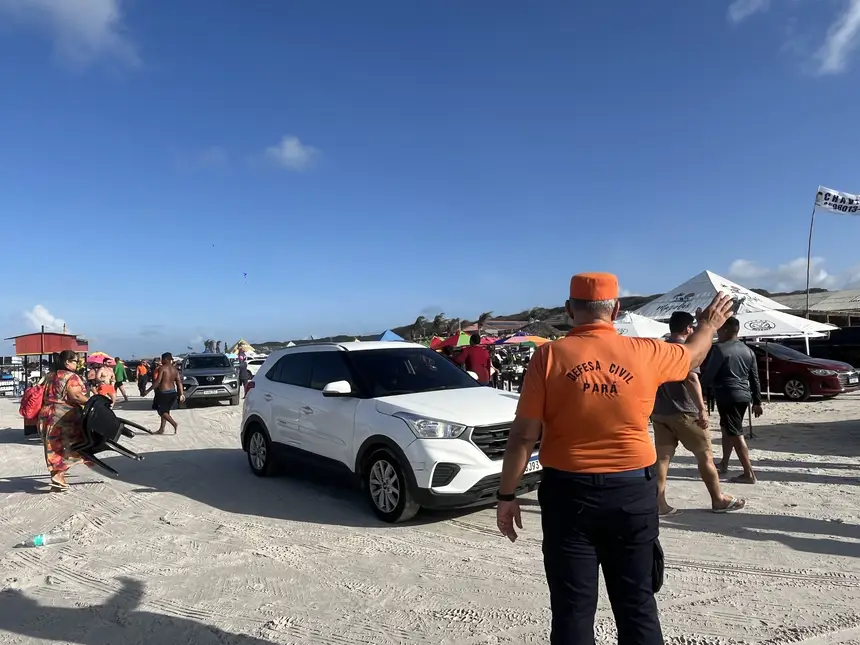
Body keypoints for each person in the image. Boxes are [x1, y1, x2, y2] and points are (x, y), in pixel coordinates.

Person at [495, 273, 735, 645]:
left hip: (568, 493)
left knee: (572, 611)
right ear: (617, 309)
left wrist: (507, 495)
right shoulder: (645, 351)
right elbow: (693, 355)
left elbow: (524, 436)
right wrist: (708, 325)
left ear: (569, 309)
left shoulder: (549, 355)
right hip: (632, 492)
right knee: (637, 606)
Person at [651, 311, 744, 515]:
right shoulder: (685, 350)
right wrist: (702, 409)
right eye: (692, 327)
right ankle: (718, 499)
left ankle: (659, 503)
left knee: (662, 460)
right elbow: (691, 379)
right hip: (684, 411)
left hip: (660, 412)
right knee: (705, 456)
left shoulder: (659, 349)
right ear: (687, 329)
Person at [700, 316, 763, 484]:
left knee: (735, 432)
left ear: (726, 330)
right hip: (743, 396)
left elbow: (709, 375)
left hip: (727, 394)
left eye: (720, 329)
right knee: (727, 428)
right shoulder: (748, 350)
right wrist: (757, 401)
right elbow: (755, 378)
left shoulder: (719, 349)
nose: (718, 332)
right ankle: (724, 463)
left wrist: (698, 390)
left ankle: (749, 473)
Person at [37, 350, 93, 491]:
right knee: (75, 444)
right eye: (75, 361)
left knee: (53, 446)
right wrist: (92, 403)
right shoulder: (71, 376)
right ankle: (59, 475)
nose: (77, 364)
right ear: (67, 362)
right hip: (63, 416)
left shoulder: (49, 375)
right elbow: (76, 396)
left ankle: (57, 479)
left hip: (46, 414)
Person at [146, 352, 184, 434]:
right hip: (173, 393)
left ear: (166, 359)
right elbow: (179, 382)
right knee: (166, 411)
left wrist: (147, 391)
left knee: (161, 411)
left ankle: (174, 424)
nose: (161, 361)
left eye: (162, 359)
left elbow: (158, 382)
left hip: (164, 393)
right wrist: (181, 394)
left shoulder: (162, 368)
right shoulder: (175, 369)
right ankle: (161, 429)